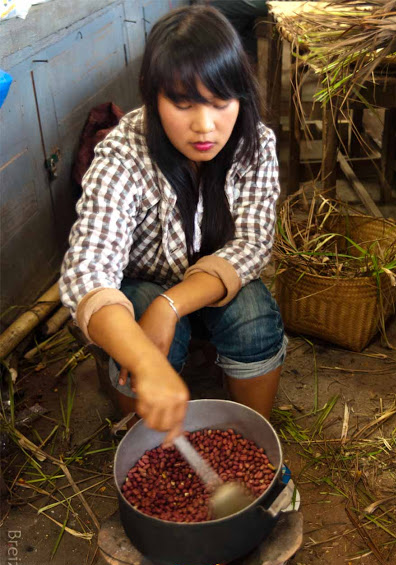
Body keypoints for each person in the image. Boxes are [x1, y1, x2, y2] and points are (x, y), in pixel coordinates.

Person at [59, 5, 286, 444]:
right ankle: (149, 446)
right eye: (182, 103)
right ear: (152, 93)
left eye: (221, 102)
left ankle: (251, 443)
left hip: (214, 290)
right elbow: (88, 271)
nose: (205, 126)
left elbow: (253, 244)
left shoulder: (255, 145)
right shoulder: (124, 152)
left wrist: (173, 305)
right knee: (144, 306)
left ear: (240, 94)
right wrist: (144, 359)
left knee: (255, 317)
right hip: (145, 288)